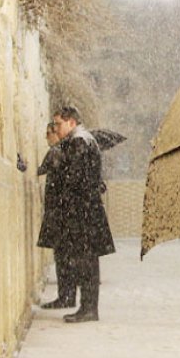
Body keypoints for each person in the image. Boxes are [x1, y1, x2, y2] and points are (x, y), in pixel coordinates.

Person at [50, 106, 115, 323]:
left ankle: (88, 308)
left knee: (85, 260)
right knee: (86, 259)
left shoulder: (79, 142)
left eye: (58, 124)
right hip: (86, 210)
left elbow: (74, 179)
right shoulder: (83, 141)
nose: (55, 129)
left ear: (71, 122)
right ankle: (87, 307)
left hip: (83, 212)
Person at [37, 122, 77, 309]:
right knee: (64, 256)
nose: (47, 138)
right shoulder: (62, 151)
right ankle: (66, 295)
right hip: (62, 213)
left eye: (49, 133)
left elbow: (41, 171)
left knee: (63, 256)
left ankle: (66, 296)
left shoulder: (58, 152)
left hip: (61, 214)